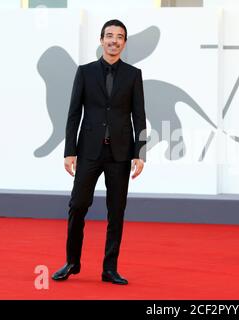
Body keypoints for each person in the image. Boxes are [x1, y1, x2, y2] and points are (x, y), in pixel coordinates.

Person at [52, 19, 146, 285]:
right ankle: (72, 262)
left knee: (116, 211)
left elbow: (139, 116)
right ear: (101, 39)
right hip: (89, 152)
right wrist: (70, 150)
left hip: (120, 154)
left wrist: (140, 152)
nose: (114, 40)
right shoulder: (85, 72)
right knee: (77, 205)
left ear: (124, 43)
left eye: (119, 37)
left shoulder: (133, 74)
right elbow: (73, 114)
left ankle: (110, 268)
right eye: (109, 36)